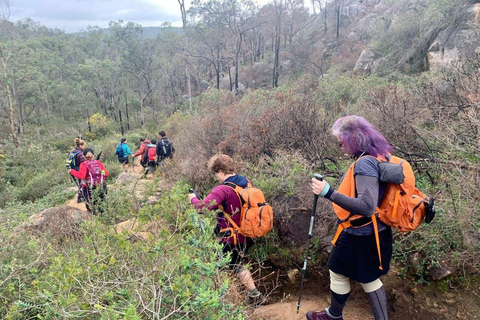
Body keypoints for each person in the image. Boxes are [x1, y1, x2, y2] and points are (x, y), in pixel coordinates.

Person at [307, 115, 393, 320]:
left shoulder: (365, 164)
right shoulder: (381, 155)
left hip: (360, 233)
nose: (340, 147)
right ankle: (334, 314)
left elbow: (366, 206)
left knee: (341, 270)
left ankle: (334, 316)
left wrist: (328, 192)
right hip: (377, 231)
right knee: (366, 277)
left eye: (341, 142)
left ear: (353, 138)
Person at [188, 154, 265, 306]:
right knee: (237, 264)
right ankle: (254, 295)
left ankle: (224, 302)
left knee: (217, 266)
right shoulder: (246, 182)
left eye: (215, 173)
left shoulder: (223, 189)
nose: (216, 177)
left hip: (230, 237)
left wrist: (192, 198)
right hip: (247, 234)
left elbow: (201, 207)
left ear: (221, 171)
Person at [70, 148, 109, 214]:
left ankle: (96, 221)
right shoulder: (98, 162)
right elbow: (106, 174)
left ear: (83, 156)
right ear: (93, 155)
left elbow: (81, 175)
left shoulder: (83, 164)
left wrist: (72, 171)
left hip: (89, 188)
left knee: (91, 206)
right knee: (103, 204)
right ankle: (105, 219)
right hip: (101, 186)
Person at [67, 138, 86, 202]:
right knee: (82, 182)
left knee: (80, 182)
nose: (84, 147)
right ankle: (81, 196)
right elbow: (83, 163)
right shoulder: (80, 154)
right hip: (80, 169)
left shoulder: (73, 151)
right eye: (84, 146)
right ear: (80, 145)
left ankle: (80, 196)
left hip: (74, 169)